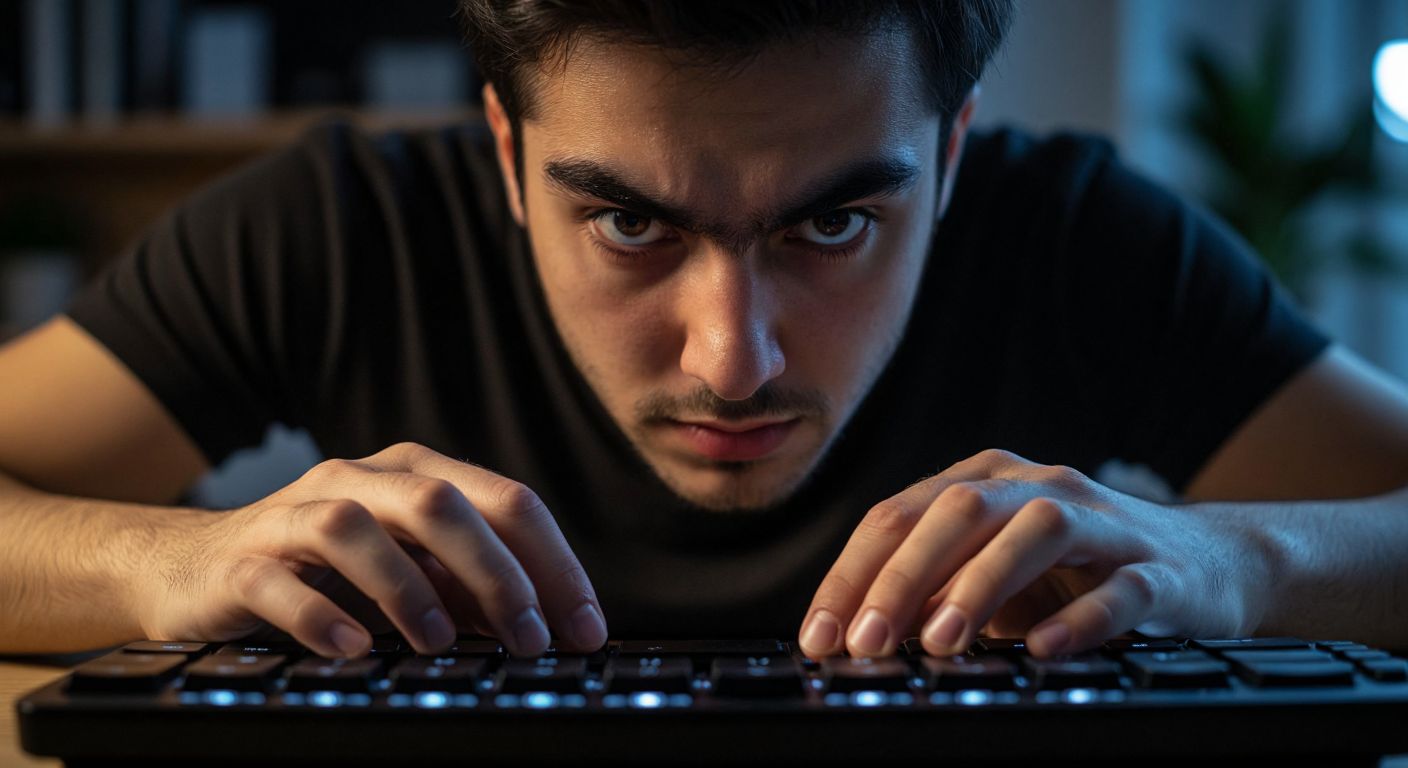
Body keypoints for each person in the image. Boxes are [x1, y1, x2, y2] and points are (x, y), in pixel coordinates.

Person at [2, 0, 1407, 663]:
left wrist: (1241, 557)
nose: (734, 361)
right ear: (504, 150)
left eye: (835, 224)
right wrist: (160, 561)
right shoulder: (331, 229)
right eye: (629, 225)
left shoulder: (1083, 244)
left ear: (955, 150)